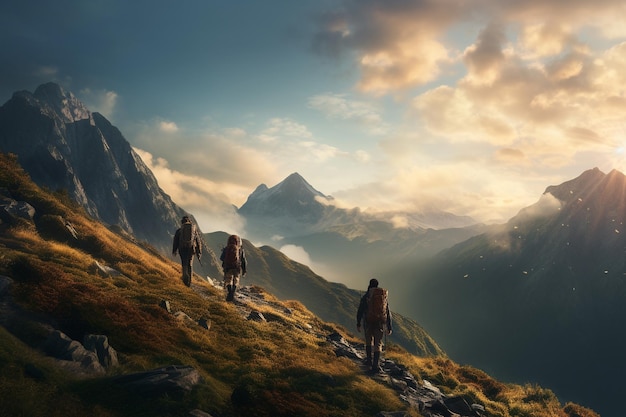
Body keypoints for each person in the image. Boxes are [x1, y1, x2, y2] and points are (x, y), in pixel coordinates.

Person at [356, 278, 392, 373]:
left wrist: (358, 323)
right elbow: (387, 312)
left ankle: (369, 361)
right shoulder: (382, 297)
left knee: (369, 341)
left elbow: (360, 310)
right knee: (378, 343)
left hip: (368, 322)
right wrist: (389, 326)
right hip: (380, 323)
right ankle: (375, 366)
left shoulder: (367, 296)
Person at [172, 215, 203, 287]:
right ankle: (189, 281)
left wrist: (174, 250)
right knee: (190, 263)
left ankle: (185, 276)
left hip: (182, 249)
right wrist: (199, 252)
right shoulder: (193, 230)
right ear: (189, 221)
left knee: (184, 262)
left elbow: (175, 241)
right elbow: (198, 241)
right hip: (192, 249)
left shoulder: (179, 231)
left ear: (182, 223)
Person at [220, 234, 247, 301]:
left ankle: (229, 292)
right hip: (237, 267)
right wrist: (244, 270)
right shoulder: (240, 250)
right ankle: (232, 293)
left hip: (228, 267)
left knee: (228, 280)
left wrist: (226, 262)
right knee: (236, 281)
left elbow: (221, 258)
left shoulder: (227, 248)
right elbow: (243, 260)